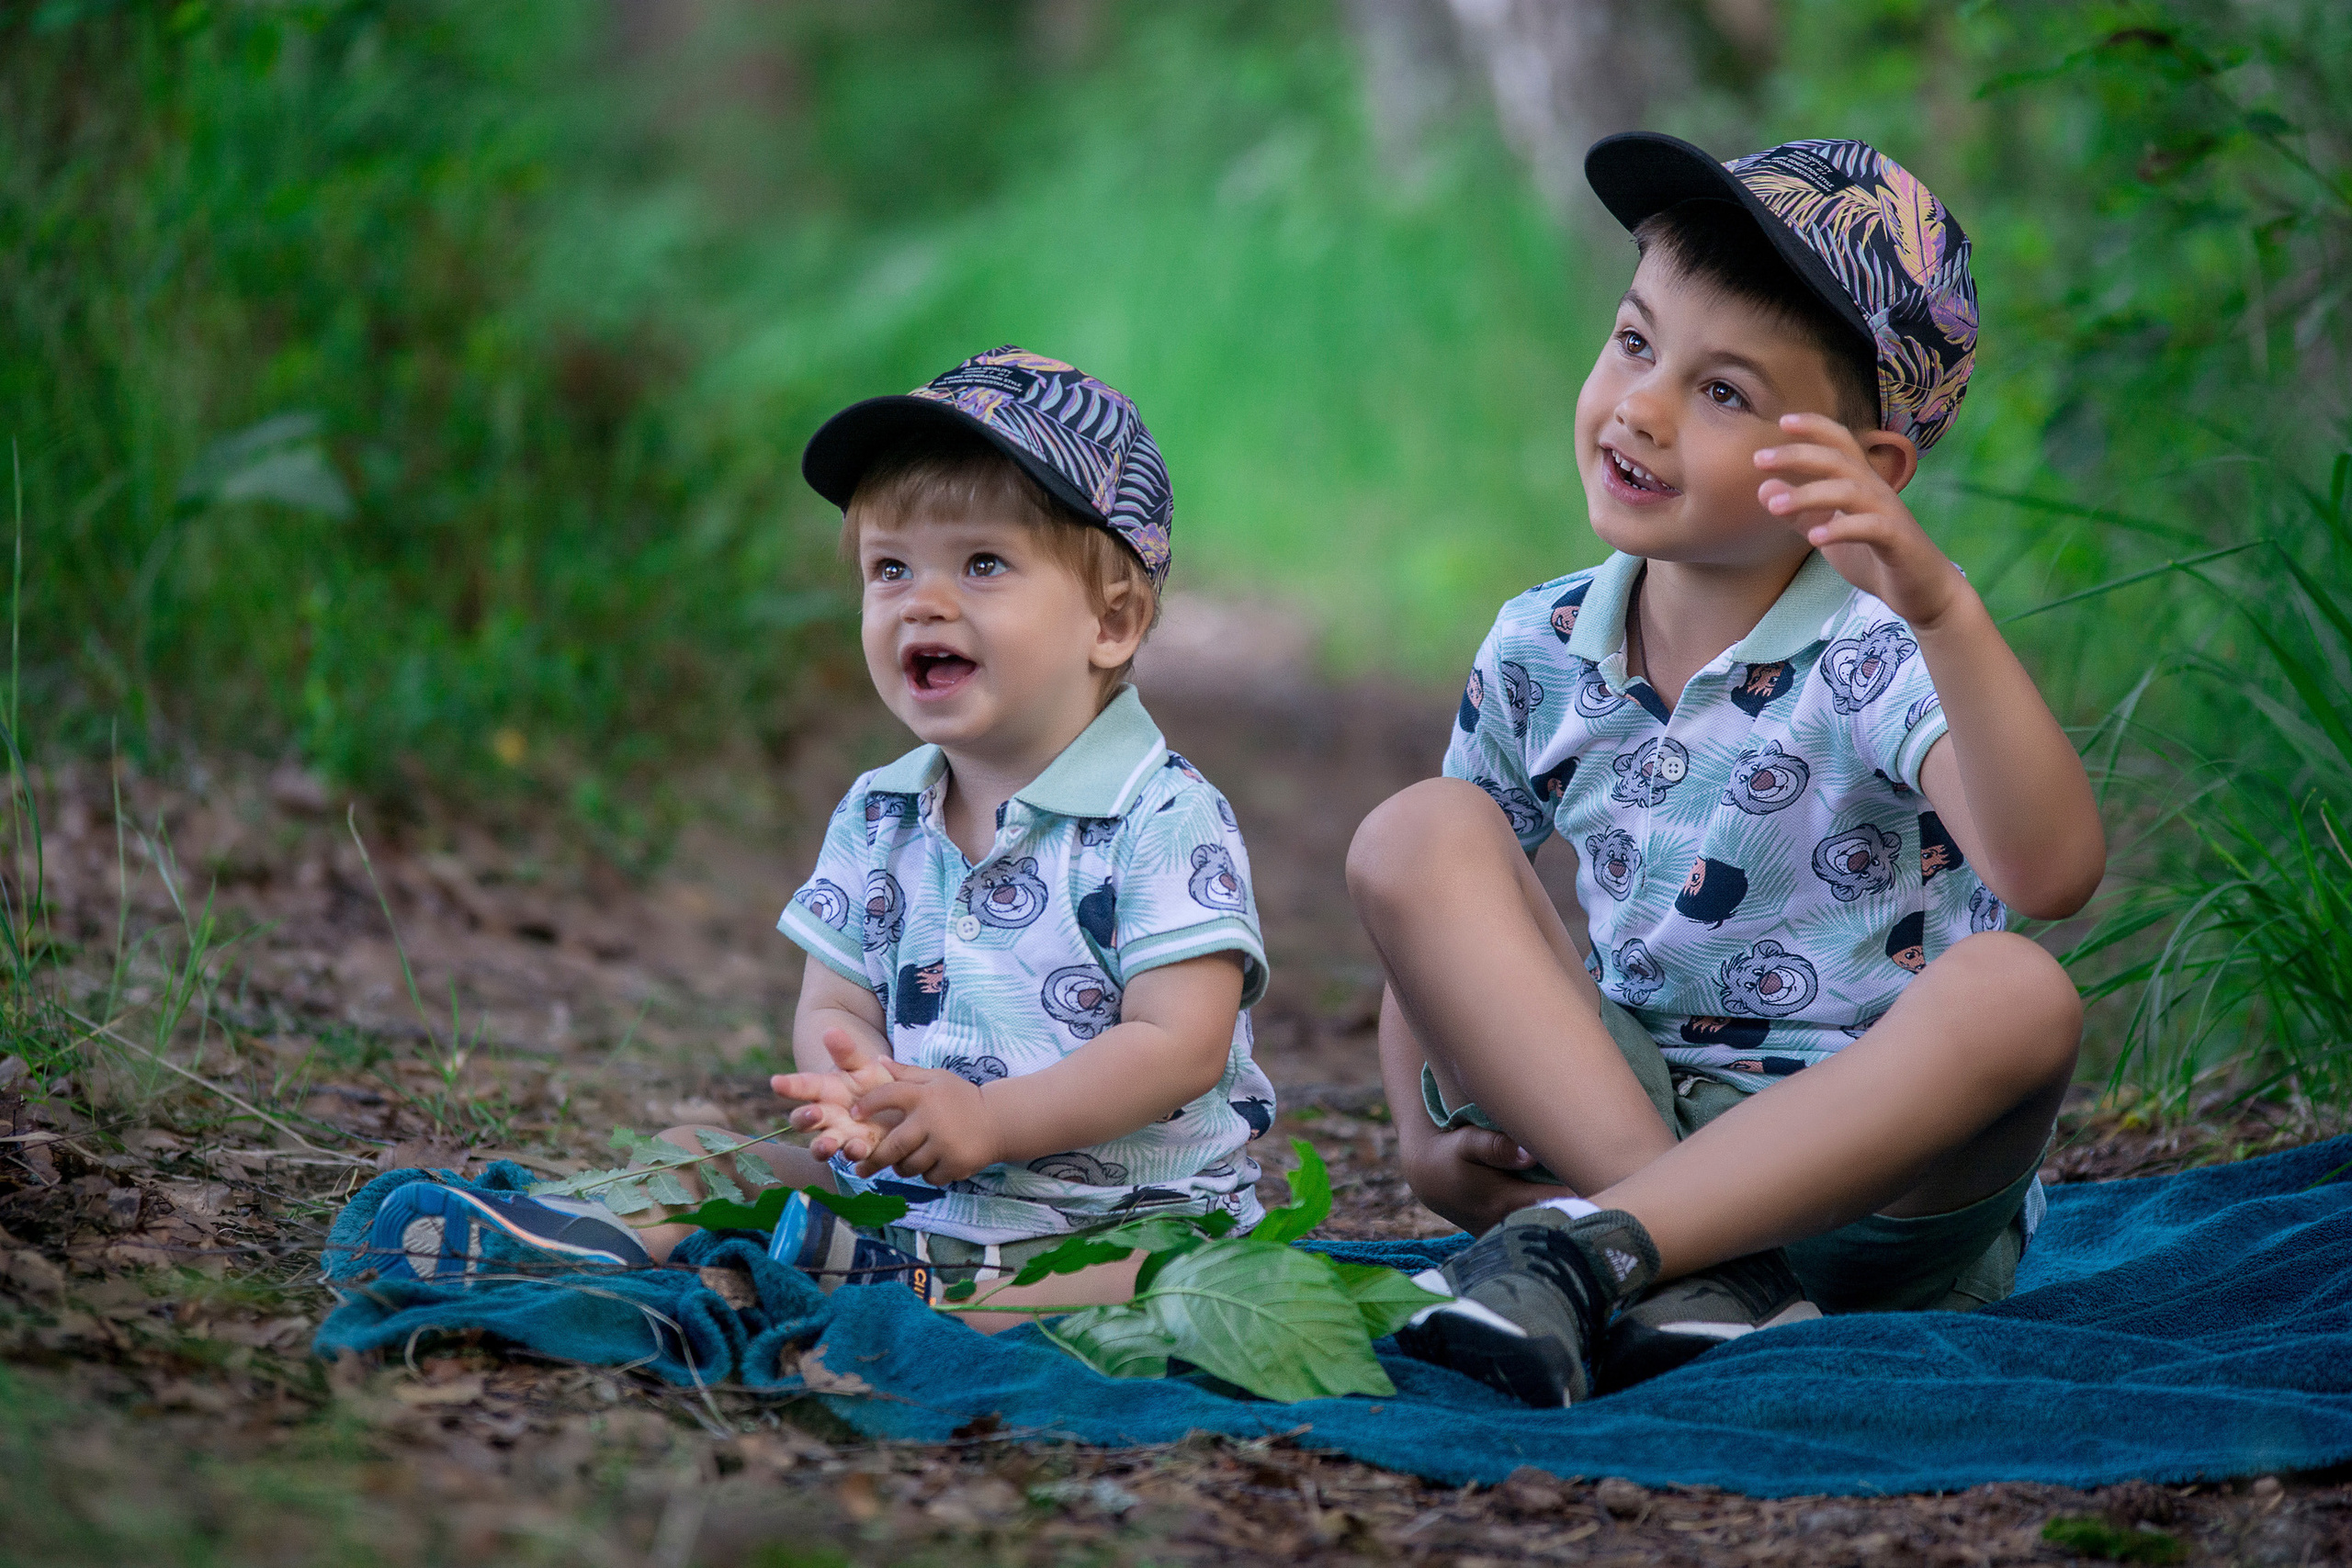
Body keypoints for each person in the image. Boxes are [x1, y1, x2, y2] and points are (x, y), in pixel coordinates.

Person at [1345, 134, 2106, 1407]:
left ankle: (1617, 1247)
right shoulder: (1541, 642)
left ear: (1866, 474)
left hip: (1874, 1182)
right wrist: (1424, 1137)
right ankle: (1699, 1274)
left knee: (2020, 991)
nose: (1641, 408)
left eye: (1726, 393)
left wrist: (1943, 611)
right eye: (1637, 344)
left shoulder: (1888, 638)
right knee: (1419, 831)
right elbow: (1435, 927)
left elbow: (2051, 870)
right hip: (1623, 1119)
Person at [366, 348, 1277, 1330]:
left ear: (1112, 618)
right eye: (890, 568)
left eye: (982, 564)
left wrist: (990, 1121)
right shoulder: (880, 813)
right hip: (922, 1200)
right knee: (712, 1155)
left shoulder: (1160, 814)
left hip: (1124, 1219)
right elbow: (835, 998)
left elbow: (1180, 1045)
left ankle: (918, 1302)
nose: (922, 601)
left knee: (1155, 1286)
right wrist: (857, 1091)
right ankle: (550, 1244)